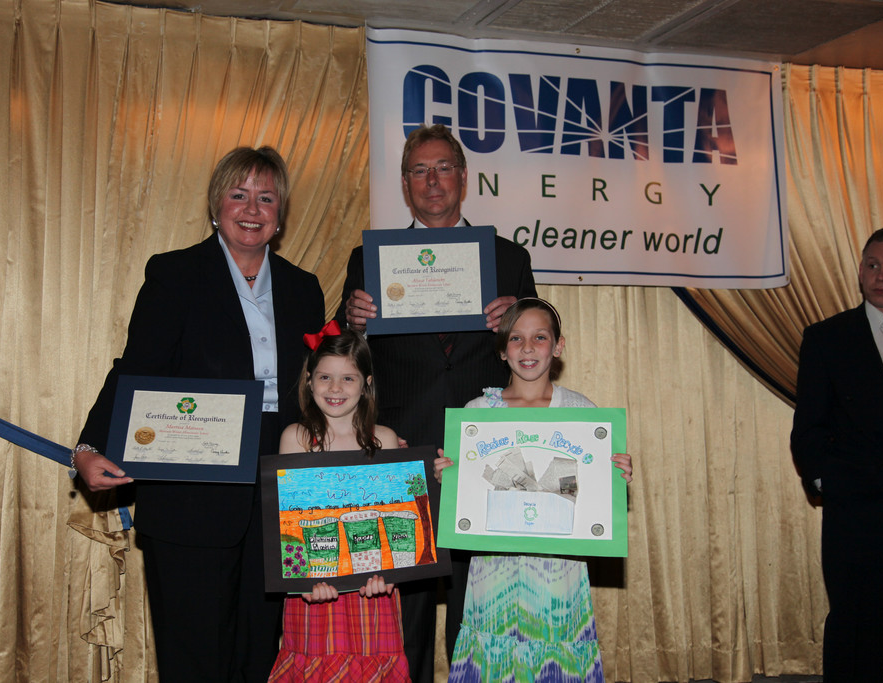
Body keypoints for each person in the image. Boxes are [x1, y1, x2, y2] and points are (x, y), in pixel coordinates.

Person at [71, 146, 325, 681]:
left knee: (259, 654)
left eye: (266, 197)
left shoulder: (304, 288)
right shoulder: (175, 274)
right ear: (216, 205)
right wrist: (90, 447)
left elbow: (320, 387)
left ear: (280, 213)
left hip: (279, 495)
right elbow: (136, 369)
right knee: (194, 660)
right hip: (190, 494)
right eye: (238, 195)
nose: (251, 209)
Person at [337, 123, 538, 681]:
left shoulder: (509, 257)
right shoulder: (369, 259)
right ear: (405, 183)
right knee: (408, 606)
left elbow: (537, 345)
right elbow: (341, 358)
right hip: (404, 447)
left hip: (487, 449)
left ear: (463, 177)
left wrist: (518, 318)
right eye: (419, 170)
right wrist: (353, 322)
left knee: (480, 603)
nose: (432, 180)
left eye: (443, 167)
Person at [433, 297, 633, 682]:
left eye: (539, 337)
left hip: (558, 567)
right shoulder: (478, 412)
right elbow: (468, 491)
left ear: (558, 347)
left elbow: (591, 491)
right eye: (516, 338)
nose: (527, 348)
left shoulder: (581, 411)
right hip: (494, 567)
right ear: (502, 350)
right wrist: (450, 478)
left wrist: (615, 476)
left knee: (555, 658)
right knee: (492, 655)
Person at [268, 324, 410, 682]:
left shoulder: (385, 439)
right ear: (309, 381)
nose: (335, 388)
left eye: (348, 378)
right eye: (324, 377)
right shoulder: (296, 438)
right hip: (315, 592)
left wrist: (390, 576)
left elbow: (396, 524)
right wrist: (305, 581)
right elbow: (289, 524)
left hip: (373, 592)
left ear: (366, 383)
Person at [791, 226, 883, 682]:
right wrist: (832, 483)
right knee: (855, 624)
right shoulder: (827, 338)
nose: (881, 276)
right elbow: (808, 427)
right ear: (860, 271)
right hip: (856, 511)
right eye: (873, 265)